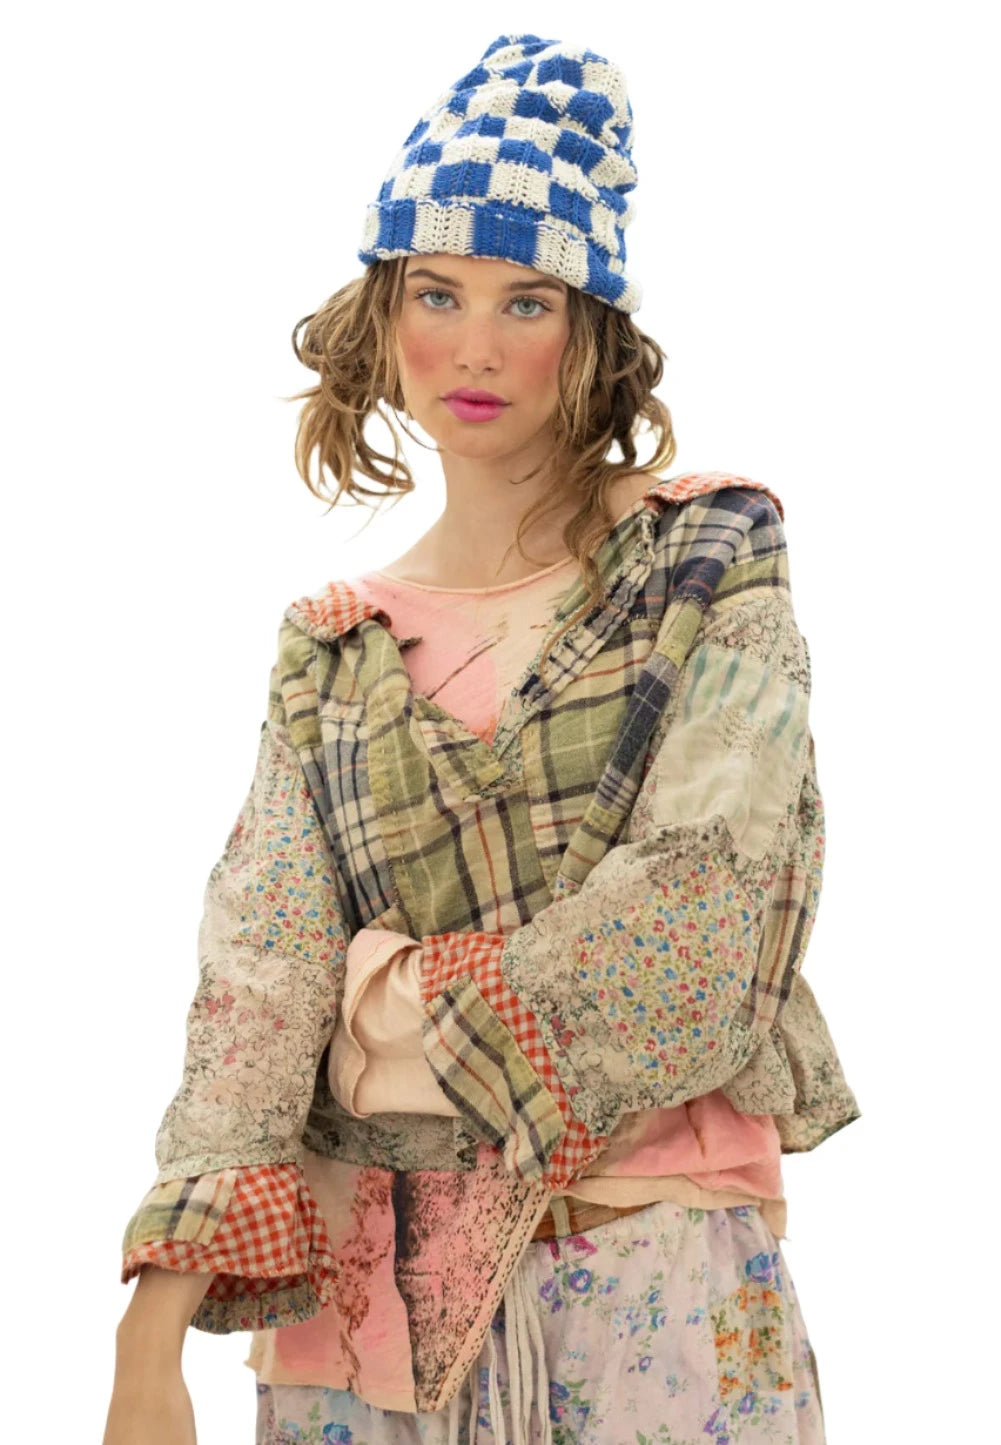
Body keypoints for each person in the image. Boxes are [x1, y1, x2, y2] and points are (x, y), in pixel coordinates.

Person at [104, 32, 861, 1445]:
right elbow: (259, 989)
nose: (474, 345)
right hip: (360, 1328)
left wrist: (377, 1008)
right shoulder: (332, 652)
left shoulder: (704, 565)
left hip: (646, 1291)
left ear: (595, 331)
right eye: (436, 293)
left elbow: (697, 940)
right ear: (382, 316)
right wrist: (149, 1339)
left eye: (528, 300)